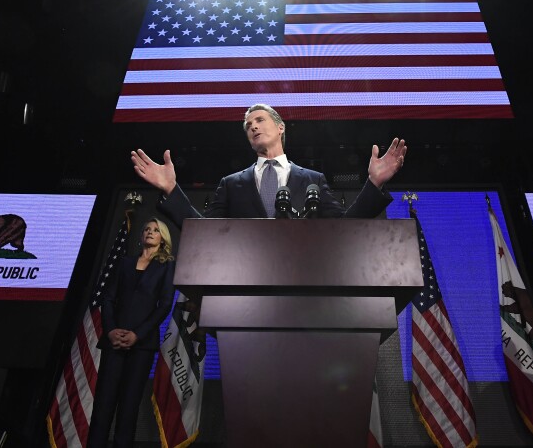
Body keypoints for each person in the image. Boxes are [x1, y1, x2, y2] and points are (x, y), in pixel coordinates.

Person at [131, 103, 407, 223]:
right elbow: (202, 232)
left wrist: (374, 184)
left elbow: (345, 227)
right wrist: (170, 189)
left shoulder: (314, 179)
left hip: (306, 285)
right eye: (248, 125)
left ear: (280, 128)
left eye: (259, 120)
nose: (252, 127)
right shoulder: (231, 184)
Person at [87, 218, 176, 448]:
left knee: (129, 406)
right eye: (146, 229)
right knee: (103, 405)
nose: (150, 232)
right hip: (113, 343)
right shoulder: (125, 263)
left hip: (142, 346)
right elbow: (108, 298)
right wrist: (111, 331)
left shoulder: (167, 267)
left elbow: (165, 305)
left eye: (156, 230)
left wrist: (137, 334)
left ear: (162, 238)